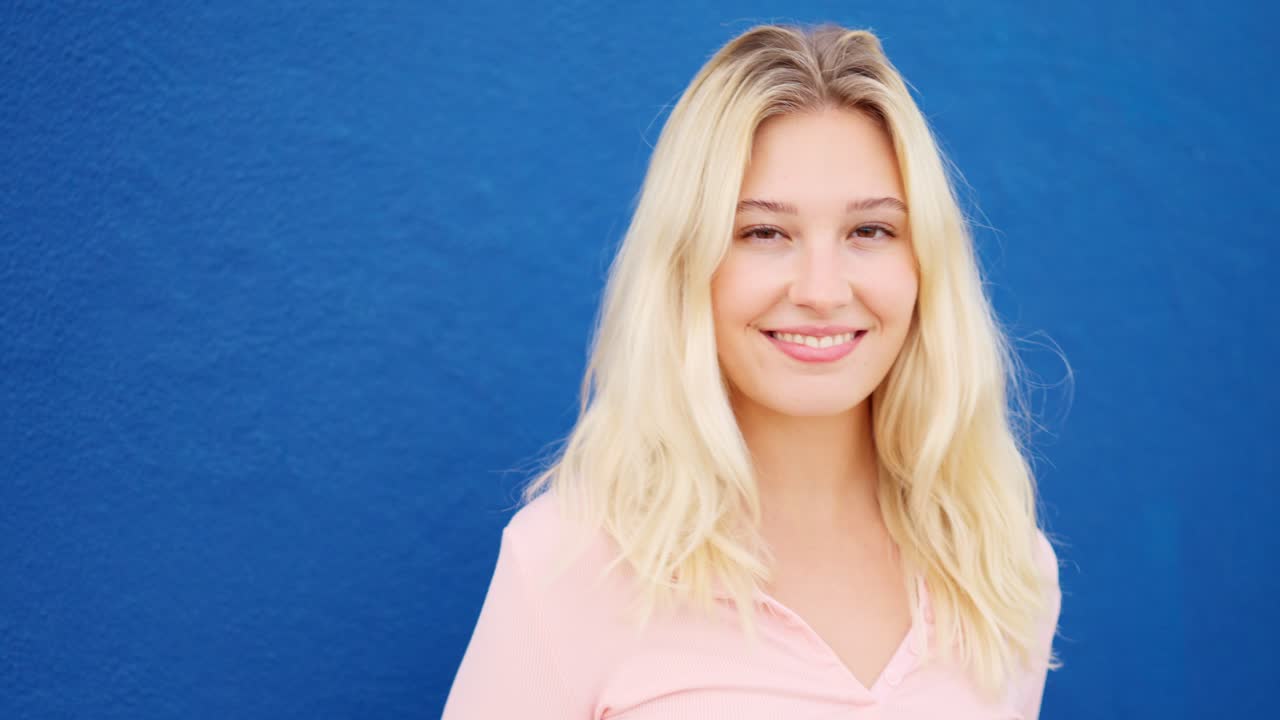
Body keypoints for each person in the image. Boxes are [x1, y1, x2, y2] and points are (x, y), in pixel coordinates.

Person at [442, 21, 1063, 719]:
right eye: (763, 232)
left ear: (925, 266)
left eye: (870, 231)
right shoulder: (566, 563)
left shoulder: (1003, 571)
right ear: (687, 265)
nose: (822, 290)